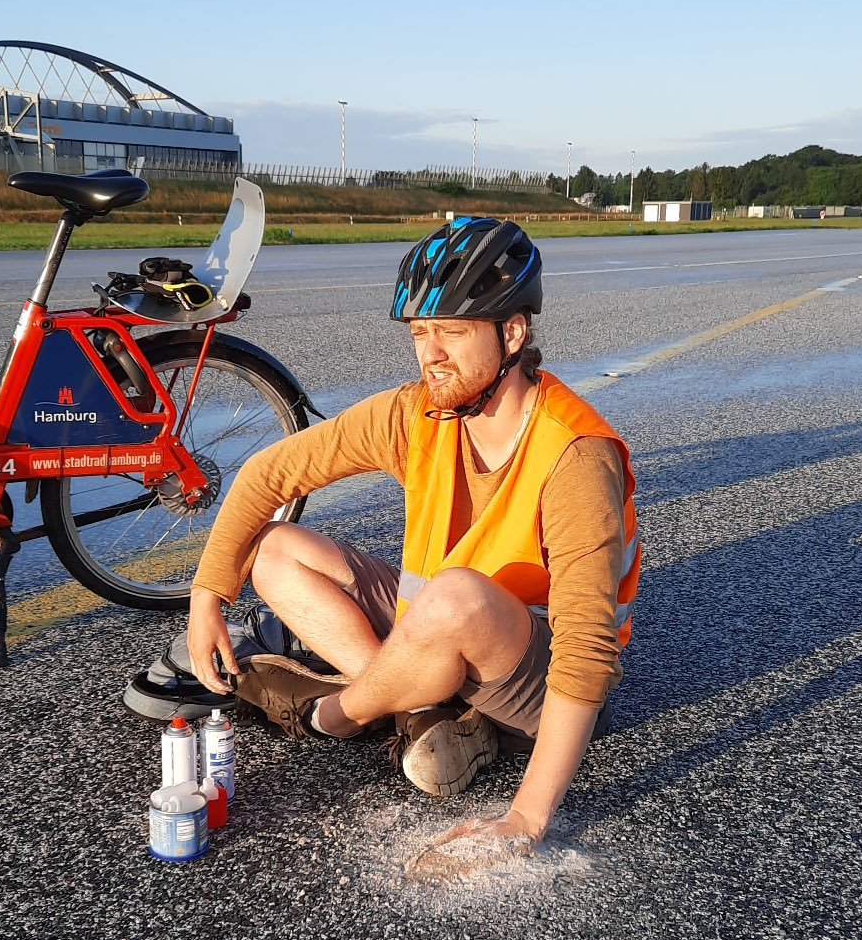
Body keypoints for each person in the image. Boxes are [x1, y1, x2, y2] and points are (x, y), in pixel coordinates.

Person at [186, 217, 639, 874]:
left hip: (537, 677)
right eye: (421, 334)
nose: (431, 354)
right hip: (446, 619)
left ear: (511, 333)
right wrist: (208, 595)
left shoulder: (575, 456)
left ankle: (334, 716)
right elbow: (269, 473)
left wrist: (524, 820)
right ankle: (423, 712)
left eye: (452, 332)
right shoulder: (418, 414)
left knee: (453, 597)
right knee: (276, 550)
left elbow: (586, 653)